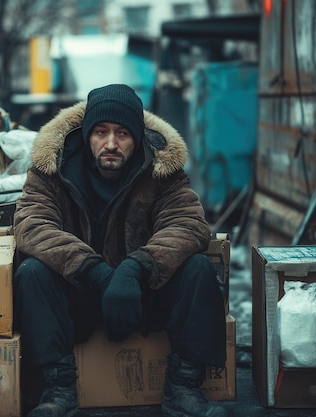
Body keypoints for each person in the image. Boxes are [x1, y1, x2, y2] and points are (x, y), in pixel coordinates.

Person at [13, 84, 227, 417]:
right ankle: (58, 389)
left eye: (122, 133)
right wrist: (93, 270)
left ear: (138, 138)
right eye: (101, 132)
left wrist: (136, 268)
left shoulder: (161, 171)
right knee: (31, 273)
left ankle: (183, 388)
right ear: (87, 135)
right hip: (79, 295)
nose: (111, 143)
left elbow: (188, 225)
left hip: (141, 295)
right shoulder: (51, 170)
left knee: (198, 268)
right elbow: (32, 226)